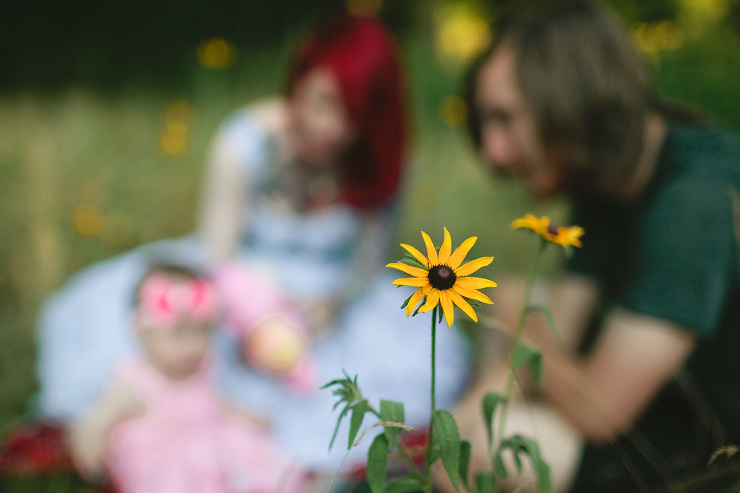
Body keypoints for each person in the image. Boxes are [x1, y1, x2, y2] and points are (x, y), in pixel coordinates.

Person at [36, 13, 471, 483]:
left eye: (351, 114)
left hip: (329, 311)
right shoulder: (246, 141)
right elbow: (216, 255)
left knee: (371, 389)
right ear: (298, 83)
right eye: (321, 102)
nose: (329, 126)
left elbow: (368, 262)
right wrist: (248, 316)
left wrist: (333, 305)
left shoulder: (384, 163)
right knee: (165, 350)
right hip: (237, 289)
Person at [440, 1, 740, 492]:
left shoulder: (693, 205)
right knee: (519, 306)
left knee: (480, 452)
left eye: (505, 118)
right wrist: (465, 415)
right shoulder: (609, 178)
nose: (492, 152)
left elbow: (601, 409)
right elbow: (562, 327)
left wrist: (518, 329)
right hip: (652, 394)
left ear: (570, 96)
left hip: (704, 443)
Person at [67, 264, 307, 493]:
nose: (192, 345)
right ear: (142, 332)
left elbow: (215, 404)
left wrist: (246, 417)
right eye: (178, 333)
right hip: (168, 473)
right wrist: (88, 443)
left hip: (215, 452)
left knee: (254, 458)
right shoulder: (135, 385)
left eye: (202, 330)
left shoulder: (200, 371)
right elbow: (96, 420)